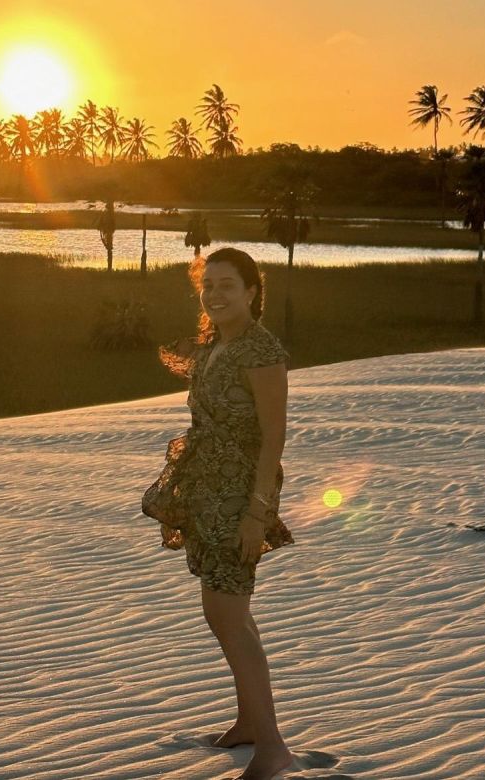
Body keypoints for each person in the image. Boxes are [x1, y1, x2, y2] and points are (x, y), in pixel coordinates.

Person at [143, 247, 295, 780]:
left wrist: (258, 513)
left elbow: (274, 437)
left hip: (239, 496)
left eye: (227, 285)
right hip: (207, 490)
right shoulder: (211, 346)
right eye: (207, 285)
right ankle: (250, 723)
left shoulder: (261, 350)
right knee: (234, 614)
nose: (214, 294)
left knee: (225, 614)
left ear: (253, 291)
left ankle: (273, 749)